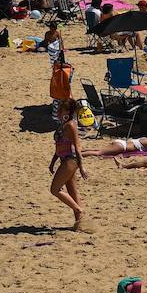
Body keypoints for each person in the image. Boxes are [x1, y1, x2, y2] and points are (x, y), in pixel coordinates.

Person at [49, 97, 88, 231]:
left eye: (61, 109)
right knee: (72, 193)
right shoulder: (62, 124)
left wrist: (81, 167)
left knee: (55, 189)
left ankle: (79, 210)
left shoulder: (71, 125)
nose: (58, 111)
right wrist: (53, 161)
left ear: (68, 111)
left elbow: (77, 146)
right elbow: (59, 145)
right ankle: (81, 224)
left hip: (71, 160)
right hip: (64, 159)